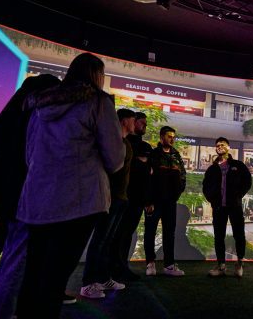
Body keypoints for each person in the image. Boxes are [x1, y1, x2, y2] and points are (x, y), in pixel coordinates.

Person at [15, 53, 124, 319]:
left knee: (34, 273)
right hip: (79, 200)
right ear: (97, 76)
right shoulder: (98, 103)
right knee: (56, 276)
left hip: (38, 200)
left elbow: (29, 155)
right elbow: (115, 159)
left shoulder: (40, 105)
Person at [0, 74, 60, 319]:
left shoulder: (10, 119)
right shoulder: (16, 121)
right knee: (1, 254)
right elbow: (9, 164)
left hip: (5, 197)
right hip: (10, 198)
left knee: (0, 253)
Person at [80, 108, 136, 299]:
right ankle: (88, 283)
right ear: (123, 121)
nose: (135, 123)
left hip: (121, 198)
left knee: (108, 241)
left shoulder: (126, 142)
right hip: (108, 198)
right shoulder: (113, 142)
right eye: (132, 120)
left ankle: (103, 278)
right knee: (100, 240)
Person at [203, 137, 252, 277]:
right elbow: (205, 186)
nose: (219, 147)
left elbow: (247, 181)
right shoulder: (212, 169)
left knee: (239, 235)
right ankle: (221, 266)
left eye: (222, 145)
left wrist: (238, 195)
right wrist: (212, 200)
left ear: (228, 147)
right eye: (217, 145)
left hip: (234, 206)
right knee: (219, 236)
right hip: (219, 207)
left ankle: (239, 263)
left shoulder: (238, 165)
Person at [114, 112, 152, 281]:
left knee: (126, 234)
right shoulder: (122, 142)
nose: (144, 125)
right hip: (123, 196)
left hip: (137, 198)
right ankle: (114, 269)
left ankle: (121, 267)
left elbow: (149, 172)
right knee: (118, 234)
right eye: (141, 122)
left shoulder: (143, 146)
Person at [144, 126, 186, 277]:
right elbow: (147, 179)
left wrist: (175, 196)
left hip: (170, 202)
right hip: (154, 202)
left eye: (173, 136)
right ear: (162, 137)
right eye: (169, 136)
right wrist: (148, 201)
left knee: (170, 233)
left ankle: (169, 265)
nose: (172, 139)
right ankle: (150, 263)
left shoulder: (176, 156)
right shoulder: (154, 155)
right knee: (150, 232)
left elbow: (182, 177)